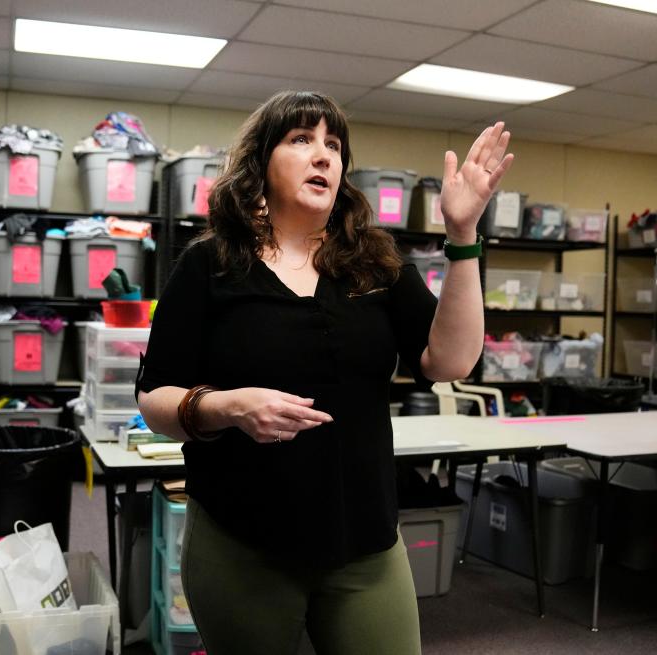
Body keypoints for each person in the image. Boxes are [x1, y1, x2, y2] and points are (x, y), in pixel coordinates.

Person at [137, 90, 513, 654]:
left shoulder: (376, 262)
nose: (323, 156)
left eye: (333, 145)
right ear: (261, 162)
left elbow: (451, 360)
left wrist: (462, 237)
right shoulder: (211, 265)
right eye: (301, 140)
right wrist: (228, 407)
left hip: (363, 542)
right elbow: (154, 399)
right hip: (243, 543)